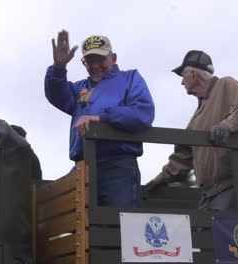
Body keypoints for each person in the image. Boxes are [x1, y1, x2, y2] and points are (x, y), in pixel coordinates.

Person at [146, 50, 238, 214]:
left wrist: (228, 125)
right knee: (206, 237)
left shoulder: (225, 85)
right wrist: (162, 178)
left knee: (233, 237)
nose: (182, 82)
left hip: (236, 186)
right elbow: (184, 155)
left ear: (193, 74)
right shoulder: (197, 116)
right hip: (210, 193)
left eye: (183, 76)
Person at [44, 30, 155, 208]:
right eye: (89, 61)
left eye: (100, 59)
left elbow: (143, 113)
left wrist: (101, 118)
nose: (95, 65)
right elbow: (57, 96)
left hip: (118, 166)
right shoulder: (80, 88)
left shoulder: (131, 78)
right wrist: (58, 68)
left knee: (118, 226)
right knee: (68, 217)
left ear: (114, 58)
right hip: (82, 165)